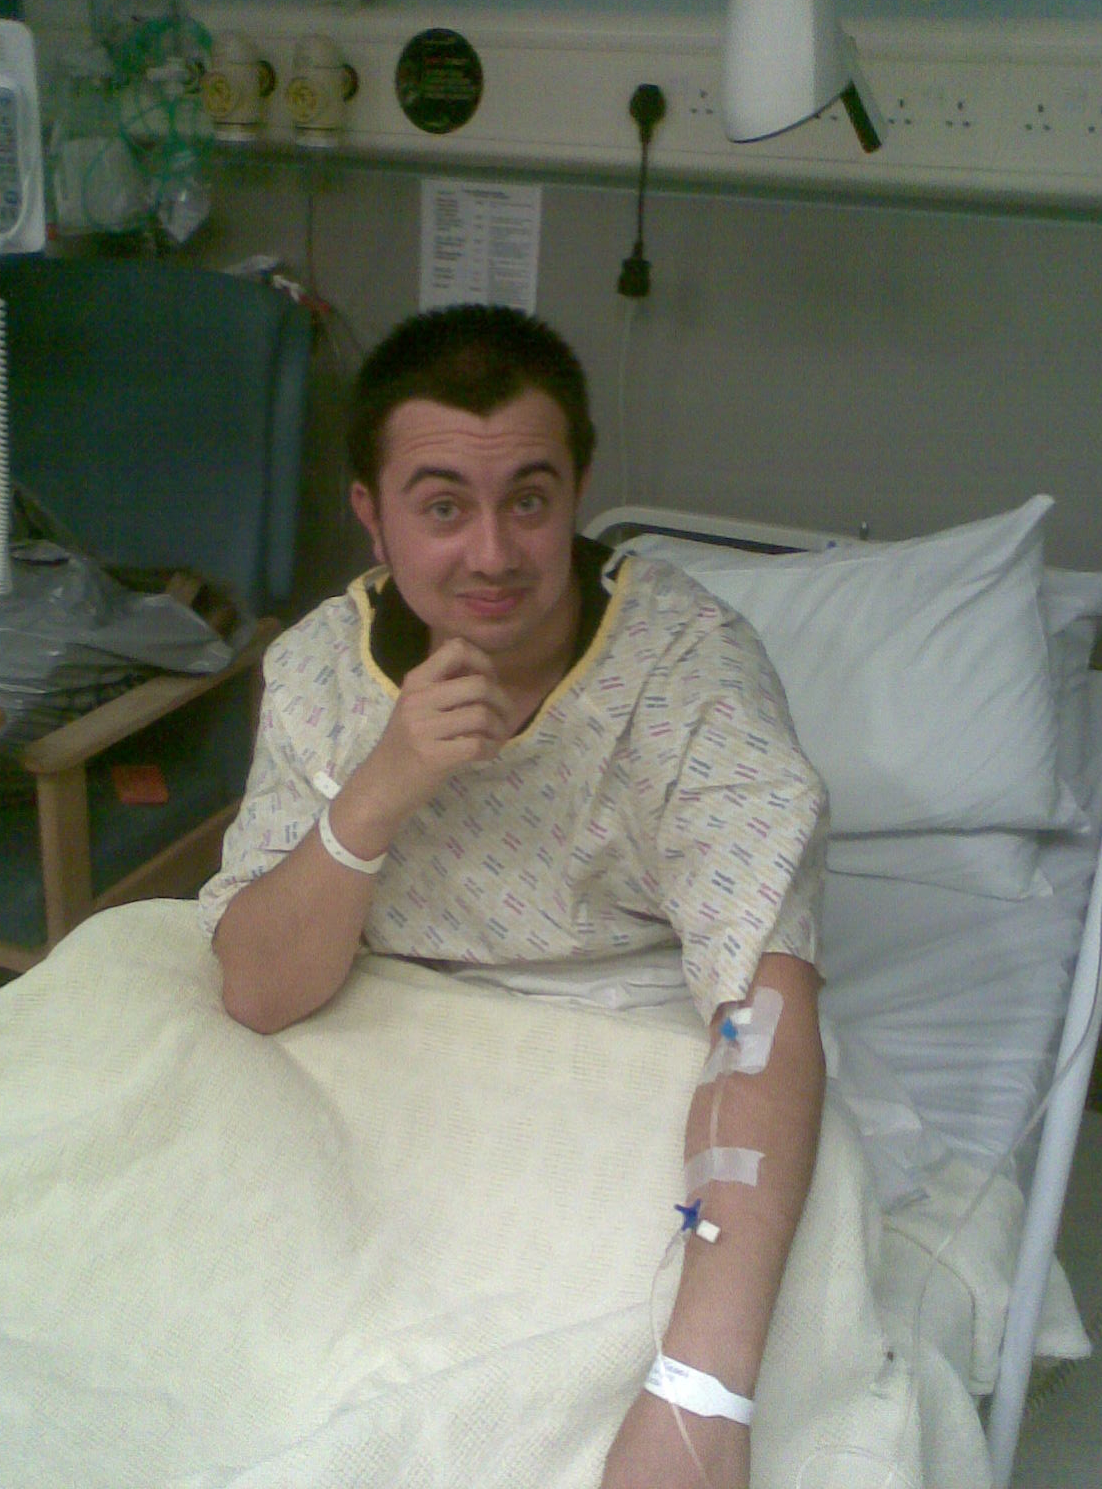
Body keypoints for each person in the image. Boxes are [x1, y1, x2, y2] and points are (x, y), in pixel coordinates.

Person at [199, 303, 828, 1489]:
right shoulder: (322, 672)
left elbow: (762, 1003)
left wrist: (702, 1394)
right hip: (369, 1056)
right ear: (371, 514)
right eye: (443, 507)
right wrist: (380, 787)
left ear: (577, 489)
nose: (492, 553)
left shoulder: (686, 672)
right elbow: (256, 989)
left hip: (614, 1060)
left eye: (528, 501)